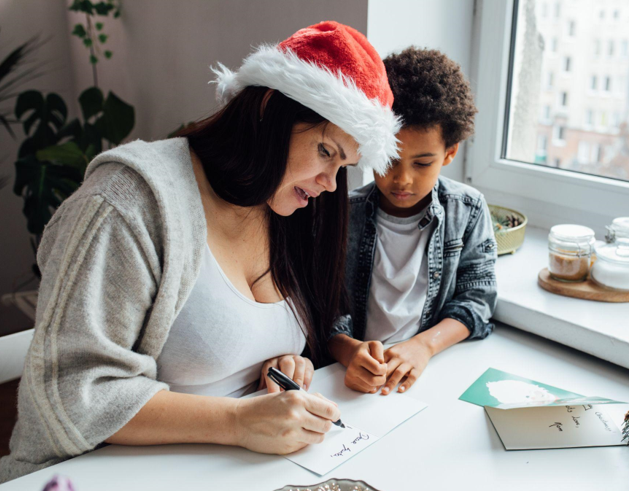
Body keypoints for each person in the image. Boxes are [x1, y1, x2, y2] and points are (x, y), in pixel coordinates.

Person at [0, 21, 400, 483]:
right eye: (326, 151)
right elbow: (72, 395)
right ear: (271, 106)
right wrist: (237, 422)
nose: (332, 183)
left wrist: (284, 364)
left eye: (345, 165)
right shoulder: (127, 203)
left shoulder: (284, 206)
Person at [329, 47, 497, 395]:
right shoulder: (343, 213)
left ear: (449, 153)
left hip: (429, 378)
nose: (402, 179)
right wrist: (349, 351)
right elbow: (316, 307)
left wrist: (424, 346)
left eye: (422, 164)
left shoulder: (467, 210)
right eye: (389, 159)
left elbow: (476, 302)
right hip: (347, 379)